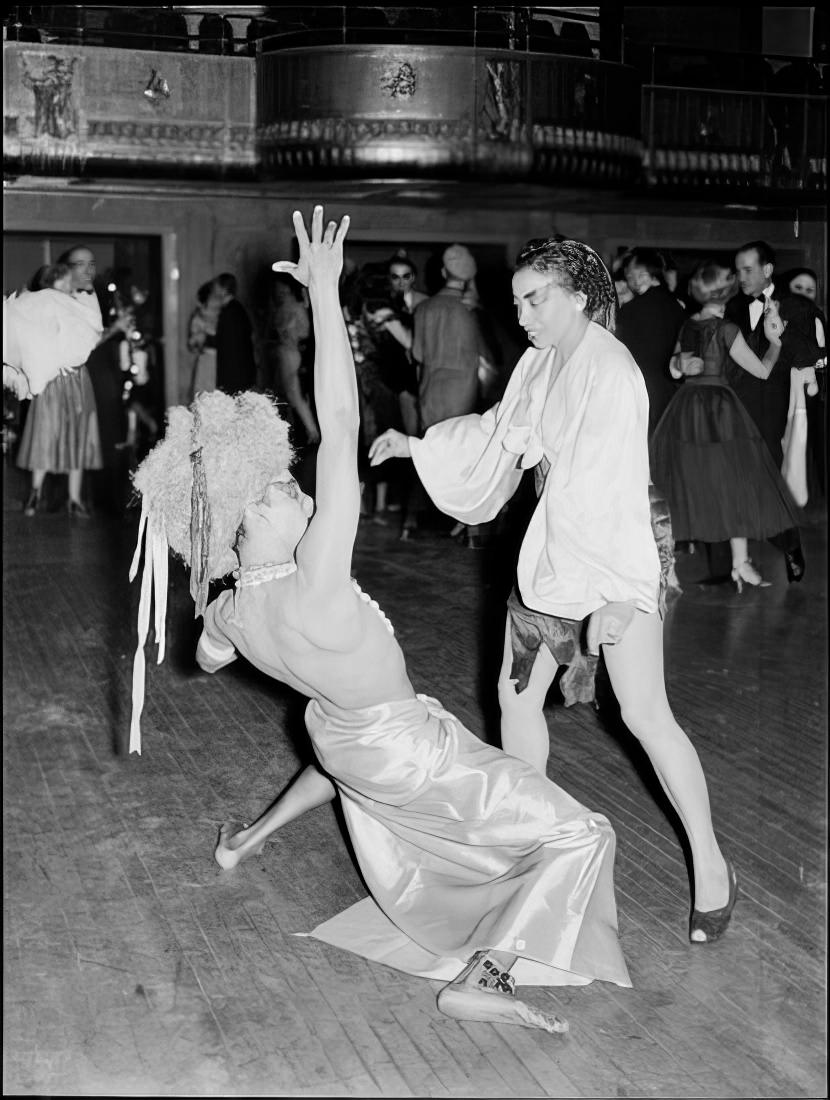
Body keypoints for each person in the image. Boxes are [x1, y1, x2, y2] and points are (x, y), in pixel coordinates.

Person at [129, 207, 633, 1035]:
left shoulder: (234, 607)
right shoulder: (316, 583)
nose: (305, 492)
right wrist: (327, 295)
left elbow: (213, 656)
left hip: (340, 736)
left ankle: (244, 841)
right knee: (583, 833)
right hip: (406, 751)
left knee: (338, 744)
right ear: (250, 514)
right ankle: (491, 975)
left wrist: (233, 613)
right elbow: (338, 426)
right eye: (288, 491)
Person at [370, 235, 736, 943]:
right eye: (516, 303)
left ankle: (713, 867)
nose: (523, 316)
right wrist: (418, 447)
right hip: (551, 550)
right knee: (515, 698)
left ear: (578, 295)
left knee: (644, 713)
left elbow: (612, 494)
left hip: (617, 548)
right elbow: (500, 433)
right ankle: (525, 847)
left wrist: (622, 595)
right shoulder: (540, 360)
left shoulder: (613, 373)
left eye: (535, 299)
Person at [650, 261, 799, 590]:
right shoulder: (727, 329)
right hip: (719, 410)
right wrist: (776, 342)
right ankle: (739, 563)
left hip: (687, 409)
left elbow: (675, 369)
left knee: (684, 485)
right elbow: (761, 371)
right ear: (726, 291)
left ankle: (669, 568)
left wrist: (681, 364)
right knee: (732, 484)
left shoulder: (689, 323)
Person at [11, 245, 116, 517]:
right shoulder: (42, 304)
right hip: (52, 380)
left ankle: (74, 499)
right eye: (64, 282)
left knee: (79, 435)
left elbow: (91, 338)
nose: (69, 286)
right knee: (45, 432)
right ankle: (35, 493)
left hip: (78, 379)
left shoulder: (81, 301)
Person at [725, 241, 806, 582]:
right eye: (738, 270)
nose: (741, 277)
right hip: (735, 404)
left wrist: (784, 340)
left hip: (771, 406)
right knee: (733, 483)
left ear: (768, 269)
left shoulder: (797, 306)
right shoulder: (731, 306)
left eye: (748, 269)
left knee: (767, 481)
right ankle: (736, 561)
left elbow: (811, 355)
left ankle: (788, 542)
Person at [413, 244, 493, 548]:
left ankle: (435, 517)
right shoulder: (471, 311)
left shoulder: (424, 308)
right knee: (466, 455)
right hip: (465, 390)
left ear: (444, 272)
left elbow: (418, 353)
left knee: (431, 450)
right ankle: (470, 525)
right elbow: (487, 355)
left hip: (431, 389)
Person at [616, 247, 686, 435]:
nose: (629, 281)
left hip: (637, 394)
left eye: (631, 275)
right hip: (672, 394)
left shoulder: (631, 310)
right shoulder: (677, 306)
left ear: (644, 276)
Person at [266, 273, 318, 445]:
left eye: (282, 290)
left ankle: (311, 431)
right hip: (287, 352)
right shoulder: (291, 306)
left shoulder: (291, 307)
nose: (279, 292)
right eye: (276, 290)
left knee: (293, 393)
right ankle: (305, 430)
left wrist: (288, 334)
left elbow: (301, 331)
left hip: (289, 352)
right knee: (287, 392)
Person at [208, 272, 257, 394]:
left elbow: (227, 343)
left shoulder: (230, 312)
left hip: (235, 372)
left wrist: (207, 339)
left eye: (217, 286)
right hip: (240, 371)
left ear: (224, 289)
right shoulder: (235, 308)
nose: (214, 289)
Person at [187, 280, 222, 398]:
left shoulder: (224, 314)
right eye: (215, 297)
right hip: (207, 361)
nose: (218, 300)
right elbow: (192, 344)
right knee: (205, 396)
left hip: (223, 362)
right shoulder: (198, 317)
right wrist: (200, 339)